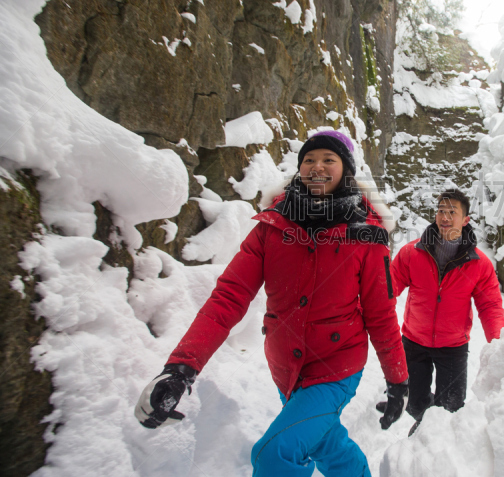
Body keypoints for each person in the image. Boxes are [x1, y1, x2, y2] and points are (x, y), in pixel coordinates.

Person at [135, 130, 409, 477]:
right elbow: (228, 297)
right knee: (325, 444)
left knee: (275, 454)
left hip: (336, 368)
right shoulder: (271, 227)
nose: (317, 167)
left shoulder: (367, 235)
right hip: (286, 368)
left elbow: (380, 314)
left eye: (329, 160)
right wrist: (180, 368)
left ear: (346, 170)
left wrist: (398, 381)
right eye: (309, 160)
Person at [382, 188, 504, 433]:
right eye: (441, 210)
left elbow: (490, 307)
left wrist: (501, 344)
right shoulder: (412, 253)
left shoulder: (478, 264)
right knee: (413, 403)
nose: (445, 216)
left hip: (453, 347)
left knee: (451, 407)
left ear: (466, 219)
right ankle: (426, 424)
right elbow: (388, 288)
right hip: (413, 342)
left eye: (452, 211)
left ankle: (434, 442)